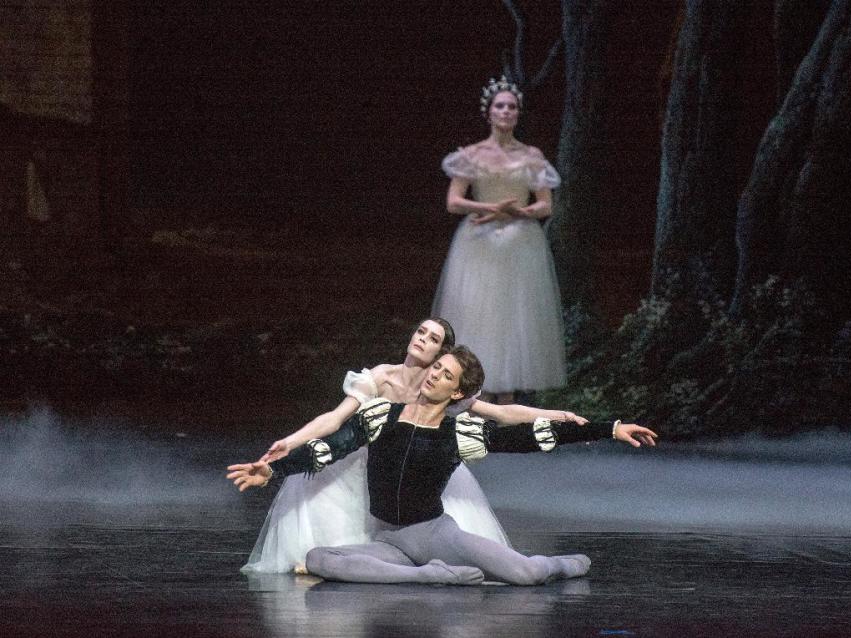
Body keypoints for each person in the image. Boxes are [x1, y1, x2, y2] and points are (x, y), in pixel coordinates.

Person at [227, 346, 657, 586]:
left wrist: (609, 428)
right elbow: (331, 447)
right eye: (436, 367)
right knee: (319, 558)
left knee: (525, 573)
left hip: (435, 535)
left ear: (457, 393)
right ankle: (427, 577)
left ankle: (566, 563)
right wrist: (273, 470)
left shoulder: (460, 434)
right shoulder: (380, 416)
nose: (433, 375)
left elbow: (531, 437)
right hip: (389, 540)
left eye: (445, 375)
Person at [241, 317, 586, 573]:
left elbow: (502, 413)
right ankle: (364, 558)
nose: (422, 339)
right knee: (324, 480)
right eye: (421, 331)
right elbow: (334, 420)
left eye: (433, 338)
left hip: (422, 469)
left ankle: (428, 558)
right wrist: (290, 442)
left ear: (441, 352)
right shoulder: (381, 377)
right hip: (367, 456)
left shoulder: (442, 384)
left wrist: (556, 413)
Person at [432, 76, 566, 404]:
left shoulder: (531, 155)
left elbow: (545, 204)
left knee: (513, 315)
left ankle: (506, 400)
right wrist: (492, 208)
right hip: (478, 242)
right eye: (500, 106)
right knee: (479, 314)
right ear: (489, 112)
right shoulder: (472, 155)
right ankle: (478, 396)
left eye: (512, 107)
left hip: (520, 243)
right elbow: (454, 201)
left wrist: (515, 212)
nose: (506, 111)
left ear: (518, 114)